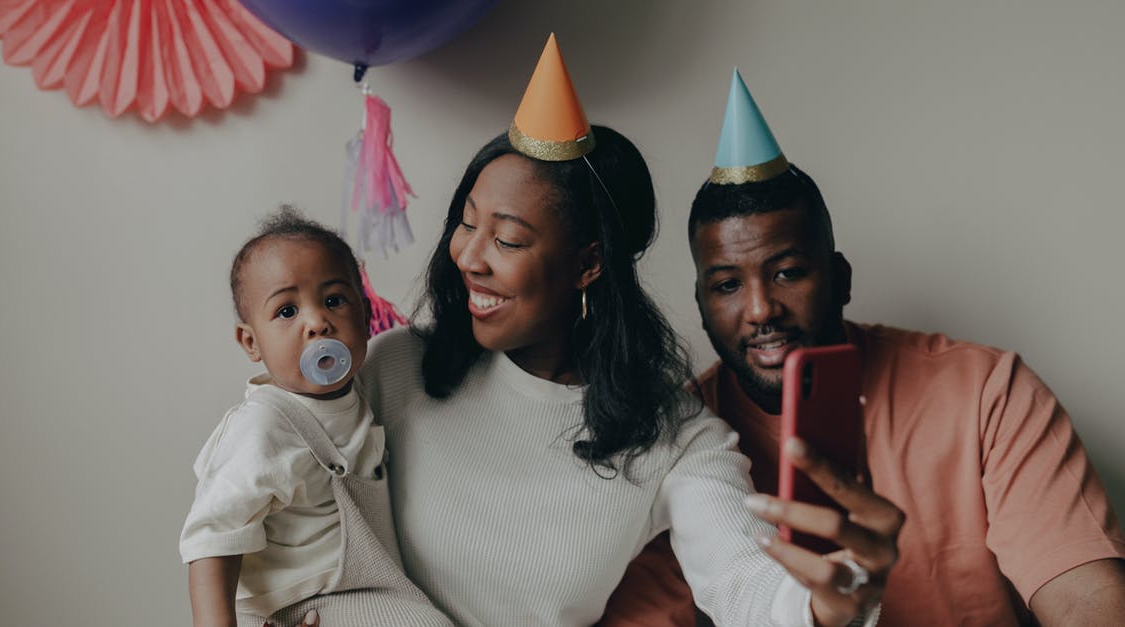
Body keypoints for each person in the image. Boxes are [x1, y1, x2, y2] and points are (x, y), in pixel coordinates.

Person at [278, 35, 902, 627]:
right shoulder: (395, 369)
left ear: (589, 263)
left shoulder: (674, 436)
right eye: (466, 224)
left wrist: (825, 605)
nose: (469, 257)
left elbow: (744, 580)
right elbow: (279, 492)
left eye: (508, 239)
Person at [600, 69, 1125, 626]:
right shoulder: (677, 443)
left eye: (787, 272)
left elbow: (1087, 601)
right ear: (702, 305)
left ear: (841, 279)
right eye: (728, 285)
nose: (760, 310)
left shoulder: (986, 393)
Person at [179, 208, 452, 627]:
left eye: (333, 301)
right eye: (287, 311)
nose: (317, 322)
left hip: (361, 591)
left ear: (364, 313)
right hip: (292, 606)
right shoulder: (262, 426)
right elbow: (212, 539)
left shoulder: (364, 388)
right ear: (251, 342)